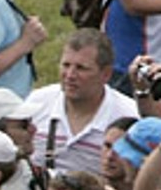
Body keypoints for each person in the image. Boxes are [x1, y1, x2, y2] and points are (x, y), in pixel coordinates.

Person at [19, 29, 138, 178]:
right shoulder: (35, 104)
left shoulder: (129, 115)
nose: (70, 75)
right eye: (66, 65)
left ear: (106, 74)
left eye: (81, 68)